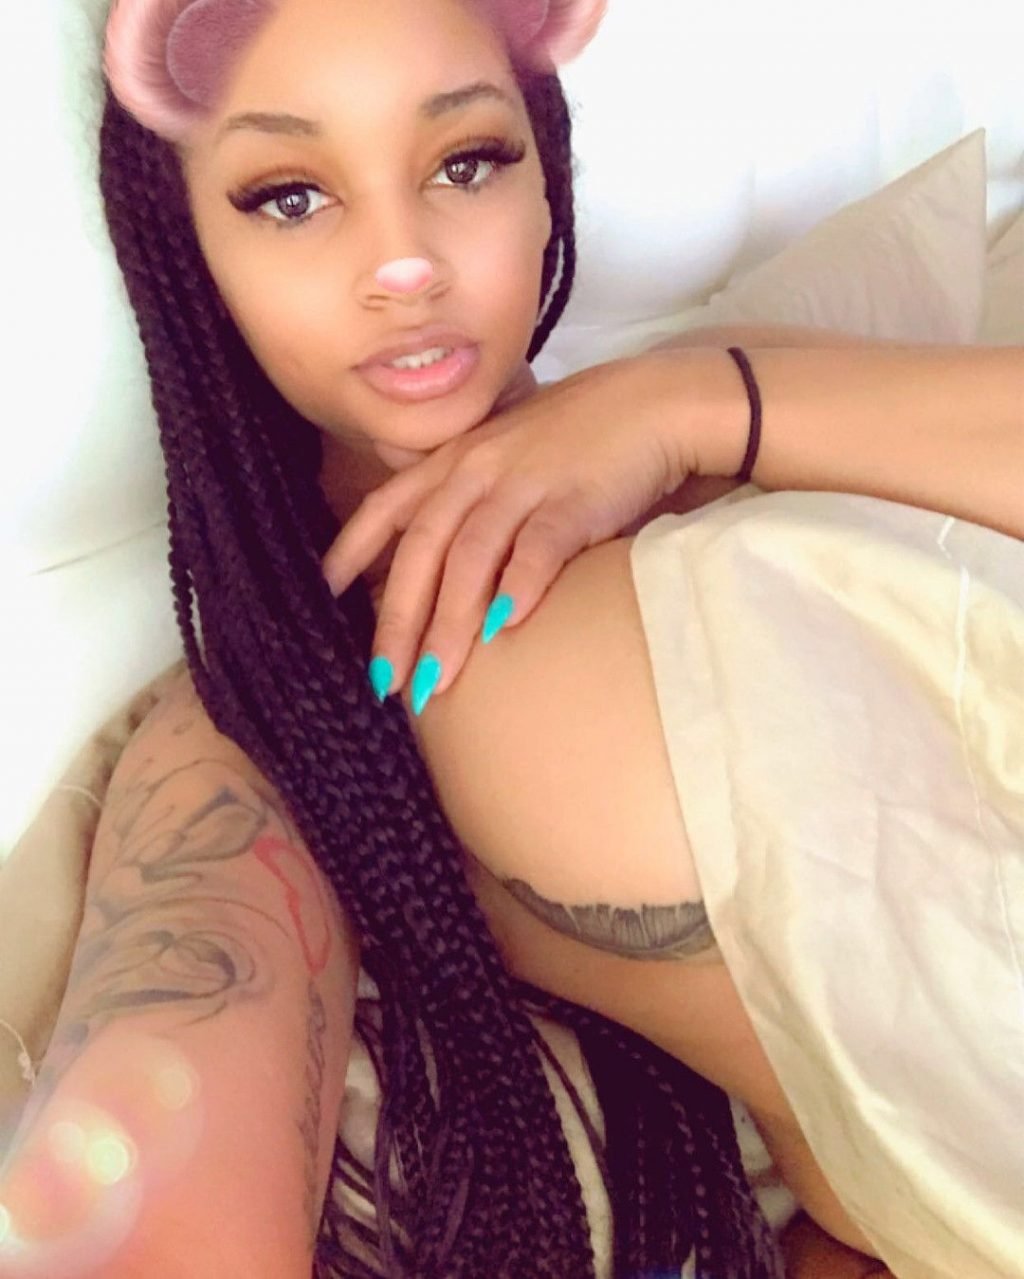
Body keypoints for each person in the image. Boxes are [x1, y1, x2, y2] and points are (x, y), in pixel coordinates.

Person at [0, 0, 1019, 1276]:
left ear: (546, 180)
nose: (404, 263)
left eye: (465, 162)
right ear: (191, 253)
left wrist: (689, 405)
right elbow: (152, 1160)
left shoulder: (721, 388)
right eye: (290, 197)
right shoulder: (268, 723)